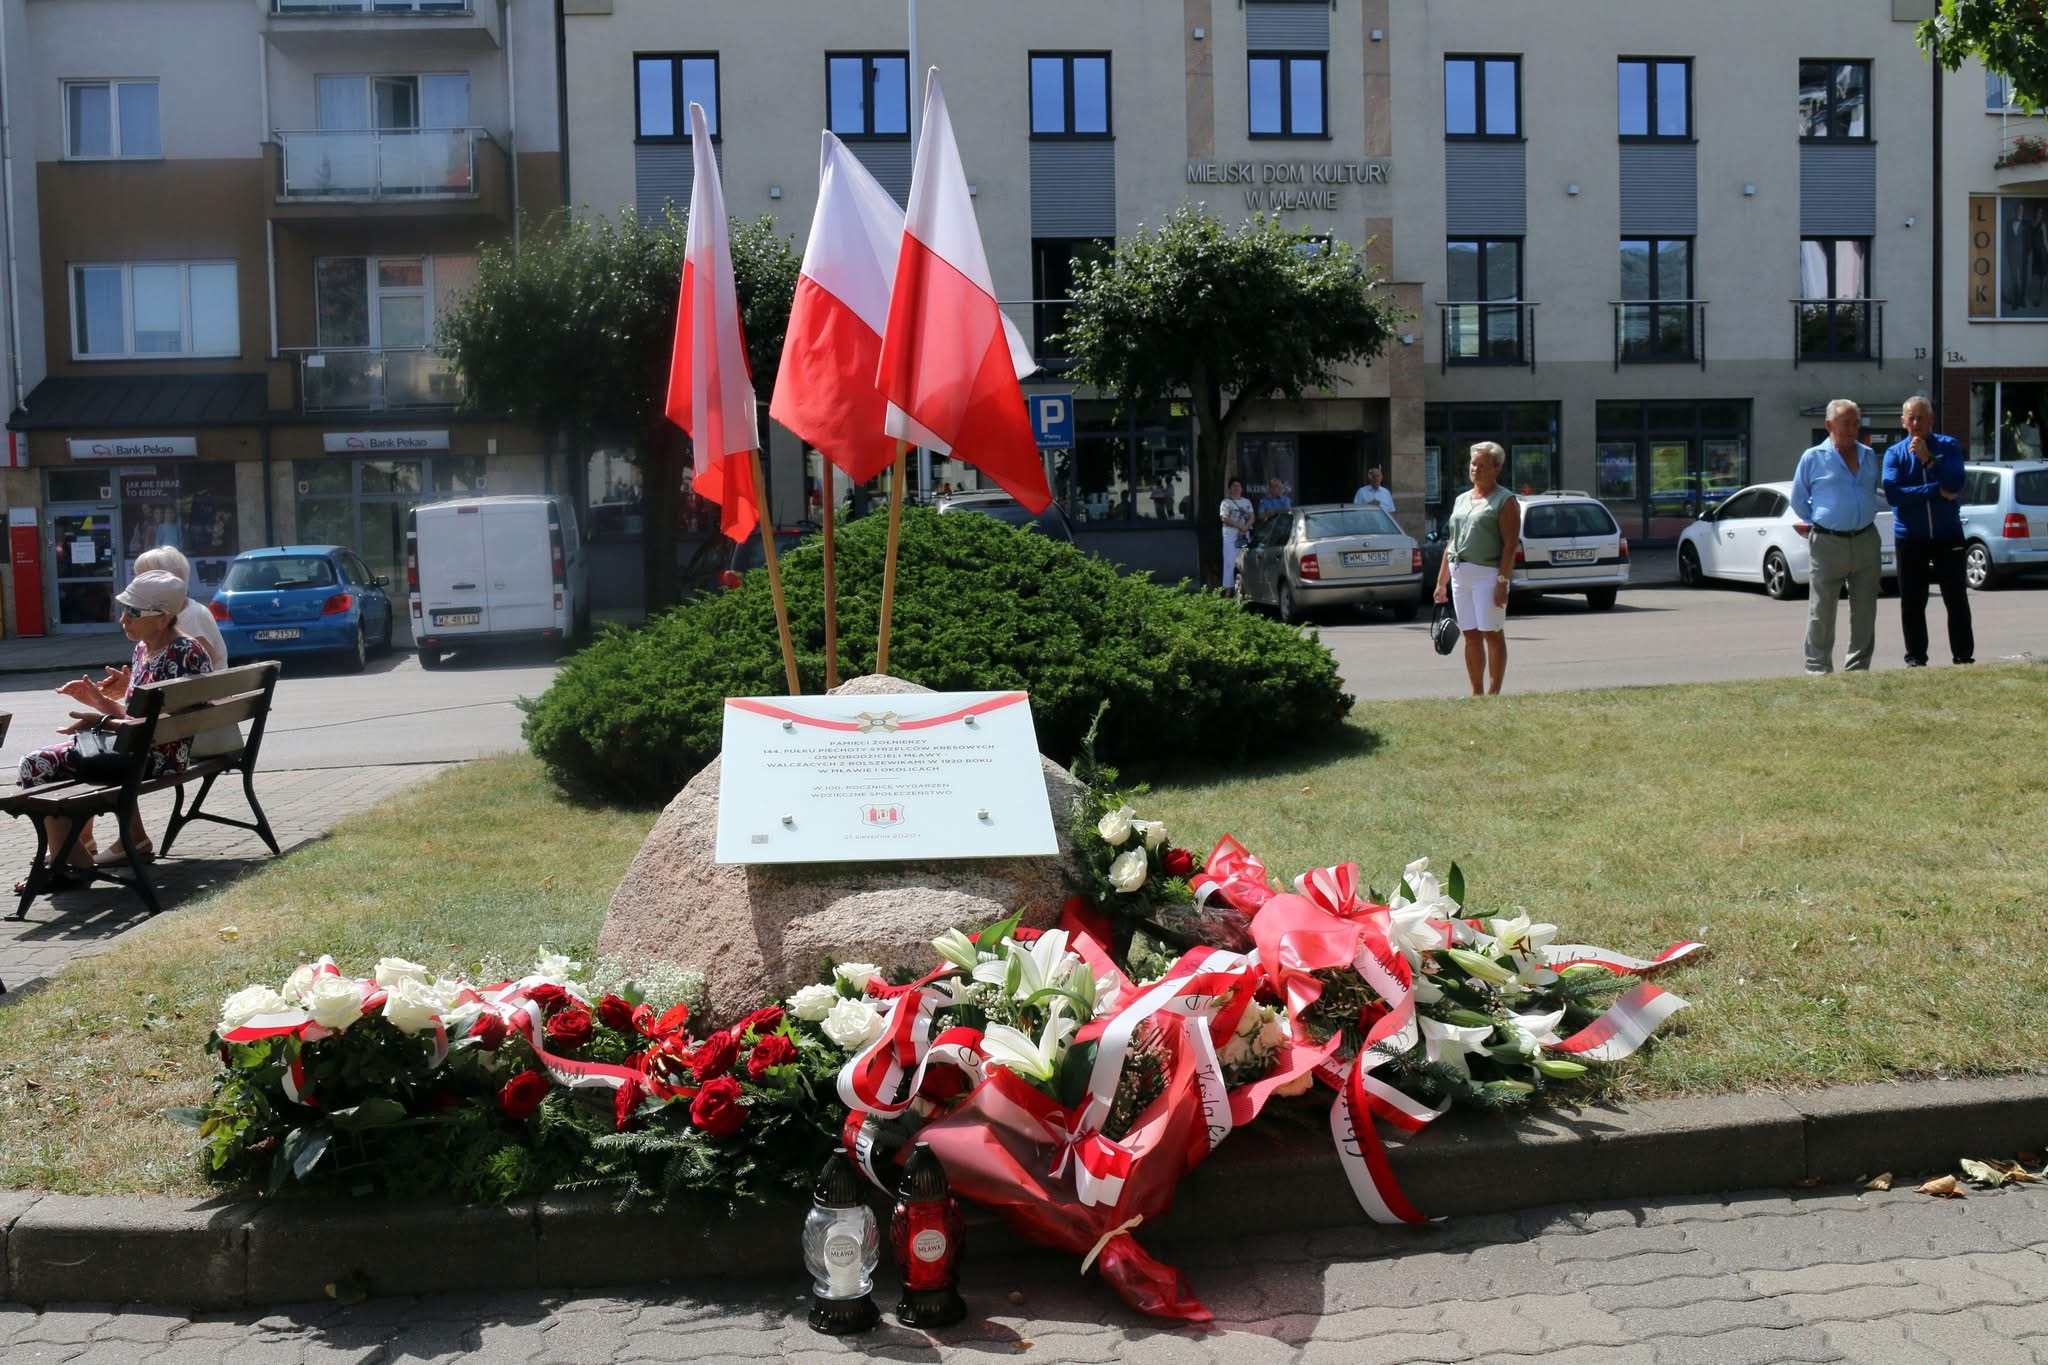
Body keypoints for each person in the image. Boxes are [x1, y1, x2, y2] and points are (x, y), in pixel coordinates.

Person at [13, 571, 214, 891]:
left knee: (36, 765)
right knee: (46, 765)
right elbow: (139, 718)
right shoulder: (146, 650)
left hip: (154, 757)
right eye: (123, 609)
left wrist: (99, 723)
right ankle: (68, 859)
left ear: (163, 619)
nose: (123, 619)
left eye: (133, 612)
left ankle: (69, 865)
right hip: (142, 749)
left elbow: (158, 727)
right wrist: (100, 702)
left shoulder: (184, 653)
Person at [1790, 398, 1884, 675]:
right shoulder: (1813, 458)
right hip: (1828, 541)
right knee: (1822, 608)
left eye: (1856, 423)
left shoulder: (1868, 455)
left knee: (1865, 608)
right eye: (1846, 423)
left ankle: (1858, 667)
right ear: (1829, 424)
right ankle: (1818, 668)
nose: (1852, 429)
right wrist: (1821, 518)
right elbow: (1798, 500)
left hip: (1866, 539)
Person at [1882, 397, 1974, 668]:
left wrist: (1929, 460)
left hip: (1948, 535)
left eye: (1921, 418)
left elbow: (1955, 483)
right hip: (1911, 537)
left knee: (1955, 598)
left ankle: (1963, 656)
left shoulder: (1948, 446)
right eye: (1910, 418)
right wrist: (1935, 491)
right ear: (1902, 422)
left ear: (1931, 420)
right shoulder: (1894, 454)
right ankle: (1916, 658)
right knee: (1912, 601)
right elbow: (1893, 494)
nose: (1915, 424)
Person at [1433, 442, 1521, 696]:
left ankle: (1494, 693)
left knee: (1491, 633)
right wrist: (1441, 582)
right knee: (1470, 635)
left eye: (1482, 465)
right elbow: (1452, 541)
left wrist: (1502, 582)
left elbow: (1510, 545)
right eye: (1473, 464)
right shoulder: (1462, 498)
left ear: (1497, 469)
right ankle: (1476, 693)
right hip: (1460, 574)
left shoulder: (1505, 501)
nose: (1475, 469)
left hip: (1488, 574)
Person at [1219, 478, 1254, 594]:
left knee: (1243, 559)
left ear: (1241, 488)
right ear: (1230, 488)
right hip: (1230, 535)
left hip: (1243, 536)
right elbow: (1224, 518)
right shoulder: (1226, 503)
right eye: (1234, 486)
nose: (1236, 488)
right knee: (1230, 562)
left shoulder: (1246, 502)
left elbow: (1252, 517)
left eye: (1238, 486)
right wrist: (1240, 527)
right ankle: (1228, 591)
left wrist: (1244, 529)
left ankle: (1244, 589)